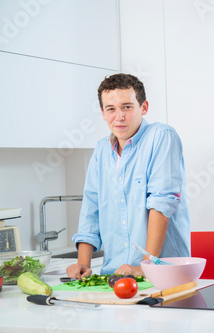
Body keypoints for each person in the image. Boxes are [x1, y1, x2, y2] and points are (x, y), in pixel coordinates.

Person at [66, 73, 191, 278]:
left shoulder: (162, 137)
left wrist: (146, 266)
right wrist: (83, 263)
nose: (119, 116)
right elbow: (91, 208)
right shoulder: (101, 150)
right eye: (111, 109)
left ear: (144, 107)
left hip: (163, 275)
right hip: (115, 274)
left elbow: (162, 203)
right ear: (103, 113)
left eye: (127, 107)